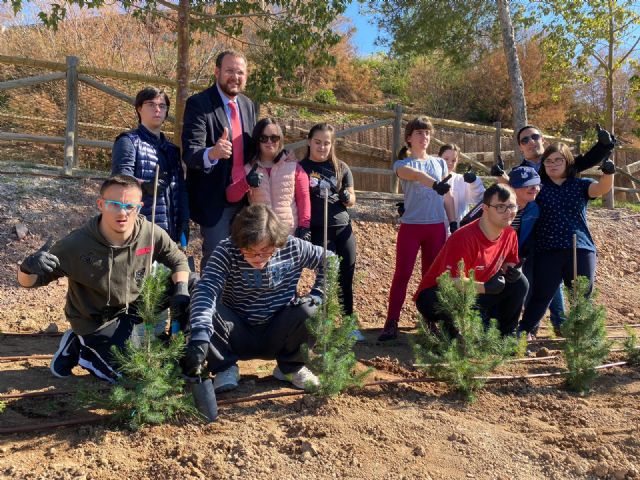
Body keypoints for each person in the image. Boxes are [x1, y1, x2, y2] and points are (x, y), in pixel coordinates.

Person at [17, 175, 190, 382]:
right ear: (101, 204)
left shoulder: (150, 233)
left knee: (193, 283)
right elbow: (29, 282)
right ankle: (80, 348)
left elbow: (178, 259)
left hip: (132, 308)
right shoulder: (76, 245)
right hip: (96, 321)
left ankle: (182, 350)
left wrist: (181, 289)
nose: (122, 212)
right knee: (129, 376)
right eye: (114, 204)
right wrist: (27, 268)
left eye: (129, 206)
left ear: (140, 207)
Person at [182, 204, 326, 392]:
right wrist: (200, 335)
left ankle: (291, 367)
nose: (258, 258)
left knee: (311, 307)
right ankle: (225, 367)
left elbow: (330, 260)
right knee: (202, 301)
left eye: (266, 251)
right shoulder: (226, 250)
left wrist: (319, 292)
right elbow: (207, 288)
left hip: (278, 330)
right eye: (250, 251)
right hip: (237, 332)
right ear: (239, 242)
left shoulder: (294, 247)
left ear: (278, 242)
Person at [518, 143, 614, 335]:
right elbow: (517, 194)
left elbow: (601, 188)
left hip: (580, 248)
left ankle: (583, 337)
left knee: (581, 296)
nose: (553, 164)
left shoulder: (581, 184)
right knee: (541, 295)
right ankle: (524, 332)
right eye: (548, 161)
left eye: (558, 160)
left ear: (567, 161)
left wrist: (608, 173)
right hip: (548, 249)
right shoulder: (539, 189)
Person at [379, 116, 457, 341]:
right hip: (411, 228)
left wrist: (453, 224)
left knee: (431, 278)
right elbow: (415, 176)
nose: (425, 137)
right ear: (408, 138)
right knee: (402, 275)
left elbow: (448, 195)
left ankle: (429, 321)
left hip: (436, 228)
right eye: (420, 133)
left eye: (428, 133)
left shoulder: (440, 163)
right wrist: (435, 184)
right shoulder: (402, 165)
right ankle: (391, 321)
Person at [414, 184, 528, 336]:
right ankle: (449, 330)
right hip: (437, 295)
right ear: (485, 209)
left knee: (520, 283)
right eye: (501, 207)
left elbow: (510, 262)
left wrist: (515, 270)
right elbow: (450, 281)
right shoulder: (463, 237)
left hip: (476, 291)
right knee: (442, 298)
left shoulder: (509, 233)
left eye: (512, 206)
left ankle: (505, 336)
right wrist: (486, 288)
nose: (509, 212)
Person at [181, 50, 257, 271]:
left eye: (240, 72)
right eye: (230, 71)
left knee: (244, 260)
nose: (235, 77)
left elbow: (254, 147)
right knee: (217, 259)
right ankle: (209, 305)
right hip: (216, 199)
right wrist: (212, 153)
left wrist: (281, 158)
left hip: (246, 197)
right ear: (217, 72)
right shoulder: (199, 103)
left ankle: (234, 305)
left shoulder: (248, 105)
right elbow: (190, 153)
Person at [299, 123, 361, 339]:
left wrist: (347, 196)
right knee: (326, 277)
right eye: (318, 142)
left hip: (343, 227)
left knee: (346, 276)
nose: (322, 147)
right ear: (309, 142)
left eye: (327, 143)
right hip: (319, 230)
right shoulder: (301, 168)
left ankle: (348, 323)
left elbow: (353, 198)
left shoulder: (341, 167)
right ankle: (322, 324)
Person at [111, 87, 189, 243]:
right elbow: (119, 181)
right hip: (138, 230)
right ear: (139, 108)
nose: (157, 110)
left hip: (169, 233)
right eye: (151, 104)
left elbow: (180, 189)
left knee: (163, 269)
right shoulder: (128, 142)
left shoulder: (172, 150)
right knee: (140, 268)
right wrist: (144, 186)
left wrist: (184, 220)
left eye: (162, 106)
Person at [226, 117, 311, 238]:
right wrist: (246, 182)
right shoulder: (247, 168)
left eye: (274, 138)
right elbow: (231, 196)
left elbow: (303, 197)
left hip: (289, 233)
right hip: (260, 237)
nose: (269, 142)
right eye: (263, 138)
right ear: (257, 140)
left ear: (280, 140)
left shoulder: (293, 165)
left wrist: (304, 225)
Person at [508, 166, 565, 339]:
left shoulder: (534, 208)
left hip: (526, 251)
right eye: (527, 185)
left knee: (534, 284)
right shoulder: (501, 205)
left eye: (536, 184)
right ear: (513, 188)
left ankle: (533, 327)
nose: (534, 188)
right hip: (494, 253)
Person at [490, 124, 615, 180]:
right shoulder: (517, 174)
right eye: (525, 140)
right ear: (520, 147)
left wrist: (603, 145)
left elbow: (587, 160)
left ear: (543, 140)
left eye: (534, 137)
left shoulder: (564, 162)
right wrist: (499, 176)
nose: (530, 142)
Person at [439, 143, 485, 229]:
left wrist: (474, 182)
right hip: (436, 231)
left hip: (458, 229)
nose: (449, 163)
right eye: (446, 159)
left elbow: (478, 199)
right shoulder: (431, 180)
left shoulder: (461, 180)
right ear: (439, 159)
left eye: (453, 160)